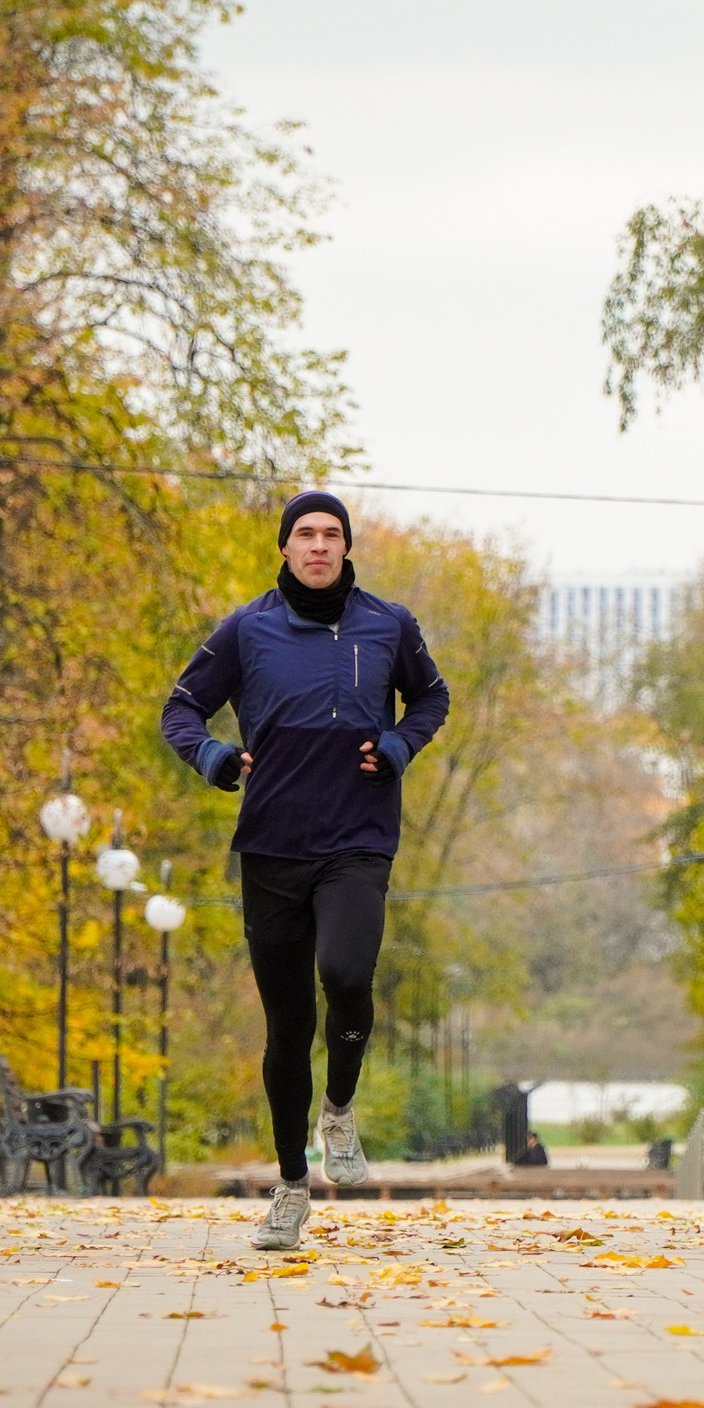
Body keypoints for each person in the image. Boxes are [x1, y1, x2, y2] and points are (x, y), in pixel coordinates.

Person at [161, 490, 450, 1250]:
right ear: (286, 547)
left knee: (349, 974)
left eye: (331, 534)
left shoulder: (389, 624)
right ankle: (291, 1187)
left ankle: (340, 1109)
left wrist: (396, 747)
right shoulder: (247, 629)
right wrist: (215, 757)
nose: (319, 545)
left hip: (358, 838)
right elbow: (180, 710)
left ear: (346, 548)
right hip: (273, 847)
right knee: (287, 1028)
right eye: (305, 534)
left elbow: (433, 698)